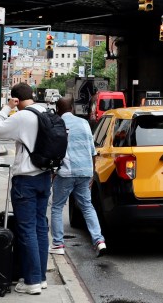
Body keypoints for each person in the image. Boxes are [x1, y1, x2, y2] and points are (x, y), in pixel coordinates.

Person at [0, 83, 53, 295]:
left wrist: (7, 108)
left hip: (26, 179)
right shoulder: (47, 112)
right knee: (40, 227)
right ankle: (40, 277)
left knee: (27, 230)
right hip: (45, 176)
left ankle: (32, 281)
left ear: (16, 99)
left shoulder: (22, 116)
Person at [48, 98, 106, 258]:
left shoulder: (58, 124)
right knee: (87, 207)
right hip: (85, 171)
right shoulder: (84, 123)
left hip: (66, 172)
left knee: (57, 207)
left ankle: (58, 243)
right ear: (72, 108)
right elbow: (92, 150)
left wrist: (52, 172)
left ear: (57, 109)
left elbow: (54, 150)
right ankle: (99, 240)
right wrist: (92, 173)